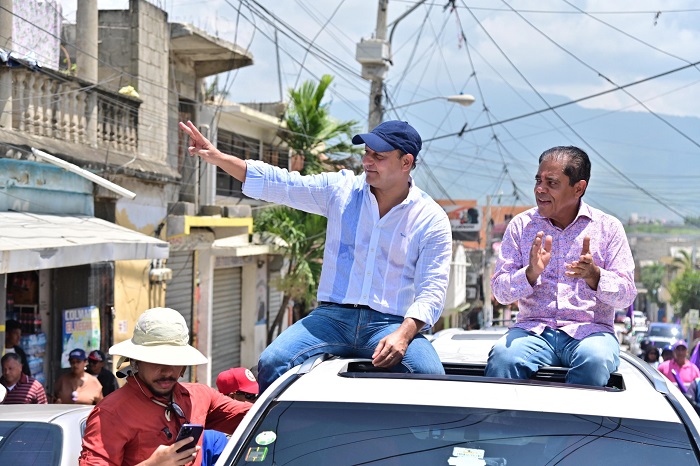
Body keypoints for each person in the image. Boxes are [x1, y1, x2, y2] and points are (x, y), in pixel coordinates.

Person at [180, 120, 453, 393]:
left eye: (378, 156)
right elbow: (281, 183)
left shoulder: (431, 219)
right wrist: (218, 157)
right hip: (331, 319)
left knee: (431, 375)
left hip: (390, 323)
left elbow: (432, 290)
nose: (367, 161)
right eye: (366, 152)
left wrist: (404, 334)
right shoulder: (340, 189)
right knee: (273, 361)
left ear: (406, 162)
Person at [484, 146, 637, 386]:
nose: (540, 189)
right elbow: (500, 293)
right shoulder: (521, 226)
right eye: (538, 180)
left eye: (551, 183)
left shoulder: (608, 228)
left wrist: (595, 275)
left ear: (579, 188)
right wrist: (530, 273)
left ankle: (575, 413)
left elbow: (626, 295)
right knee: (503, 358)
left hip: (591, 333)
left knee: (595, 360)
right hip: (532, 332)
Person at [79, 307, 251, 466]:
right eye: (156, 360)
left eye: (175, 361)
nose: (167, 370)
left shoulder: (200, 396)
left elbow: (257, 416)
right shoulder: (111, 413)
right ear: (135, 361)